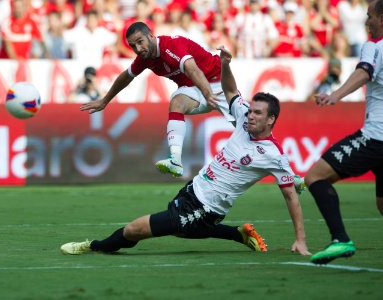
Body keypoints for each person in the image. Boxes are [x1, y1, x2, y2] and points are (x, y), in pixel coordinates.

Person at [62, 45, 310, 256]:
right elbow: (231, 91)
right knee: (182, 231)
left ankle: (91, 246)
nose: (250, 115)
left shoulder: (273, 155)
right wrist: (225, 64)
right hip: (195, 187)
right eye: (251, 110)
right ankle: (238, 234)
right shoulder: (243, 118)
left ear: (271, 120)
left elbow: (291, 197)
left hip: (205, 206)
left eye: (258, 113)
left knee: (134, 230)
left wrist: (300, 239)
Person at [80, 22, 234, 178]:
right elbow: (126, 77)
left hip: (217, 83)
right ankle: (175, 160)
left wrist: (207, 94)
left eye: (140, 42)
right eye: (133, 46)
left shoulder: (172, 46)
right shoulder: (145, 58)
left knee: (249, 126)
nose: (138, 49)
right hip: (192, 88)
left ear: (151, 36)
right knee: (176, 103)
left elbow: (193, 70)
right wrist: (105, 100)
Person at [305, 0, 383, 265]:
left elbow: (365, 72)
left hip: (376, 137)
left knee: (315, 177)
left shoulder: (374, 45)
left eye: (370, 16)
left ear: (382, 19)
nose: (366, 21)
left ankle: (340, 239)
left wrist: (335, 95)